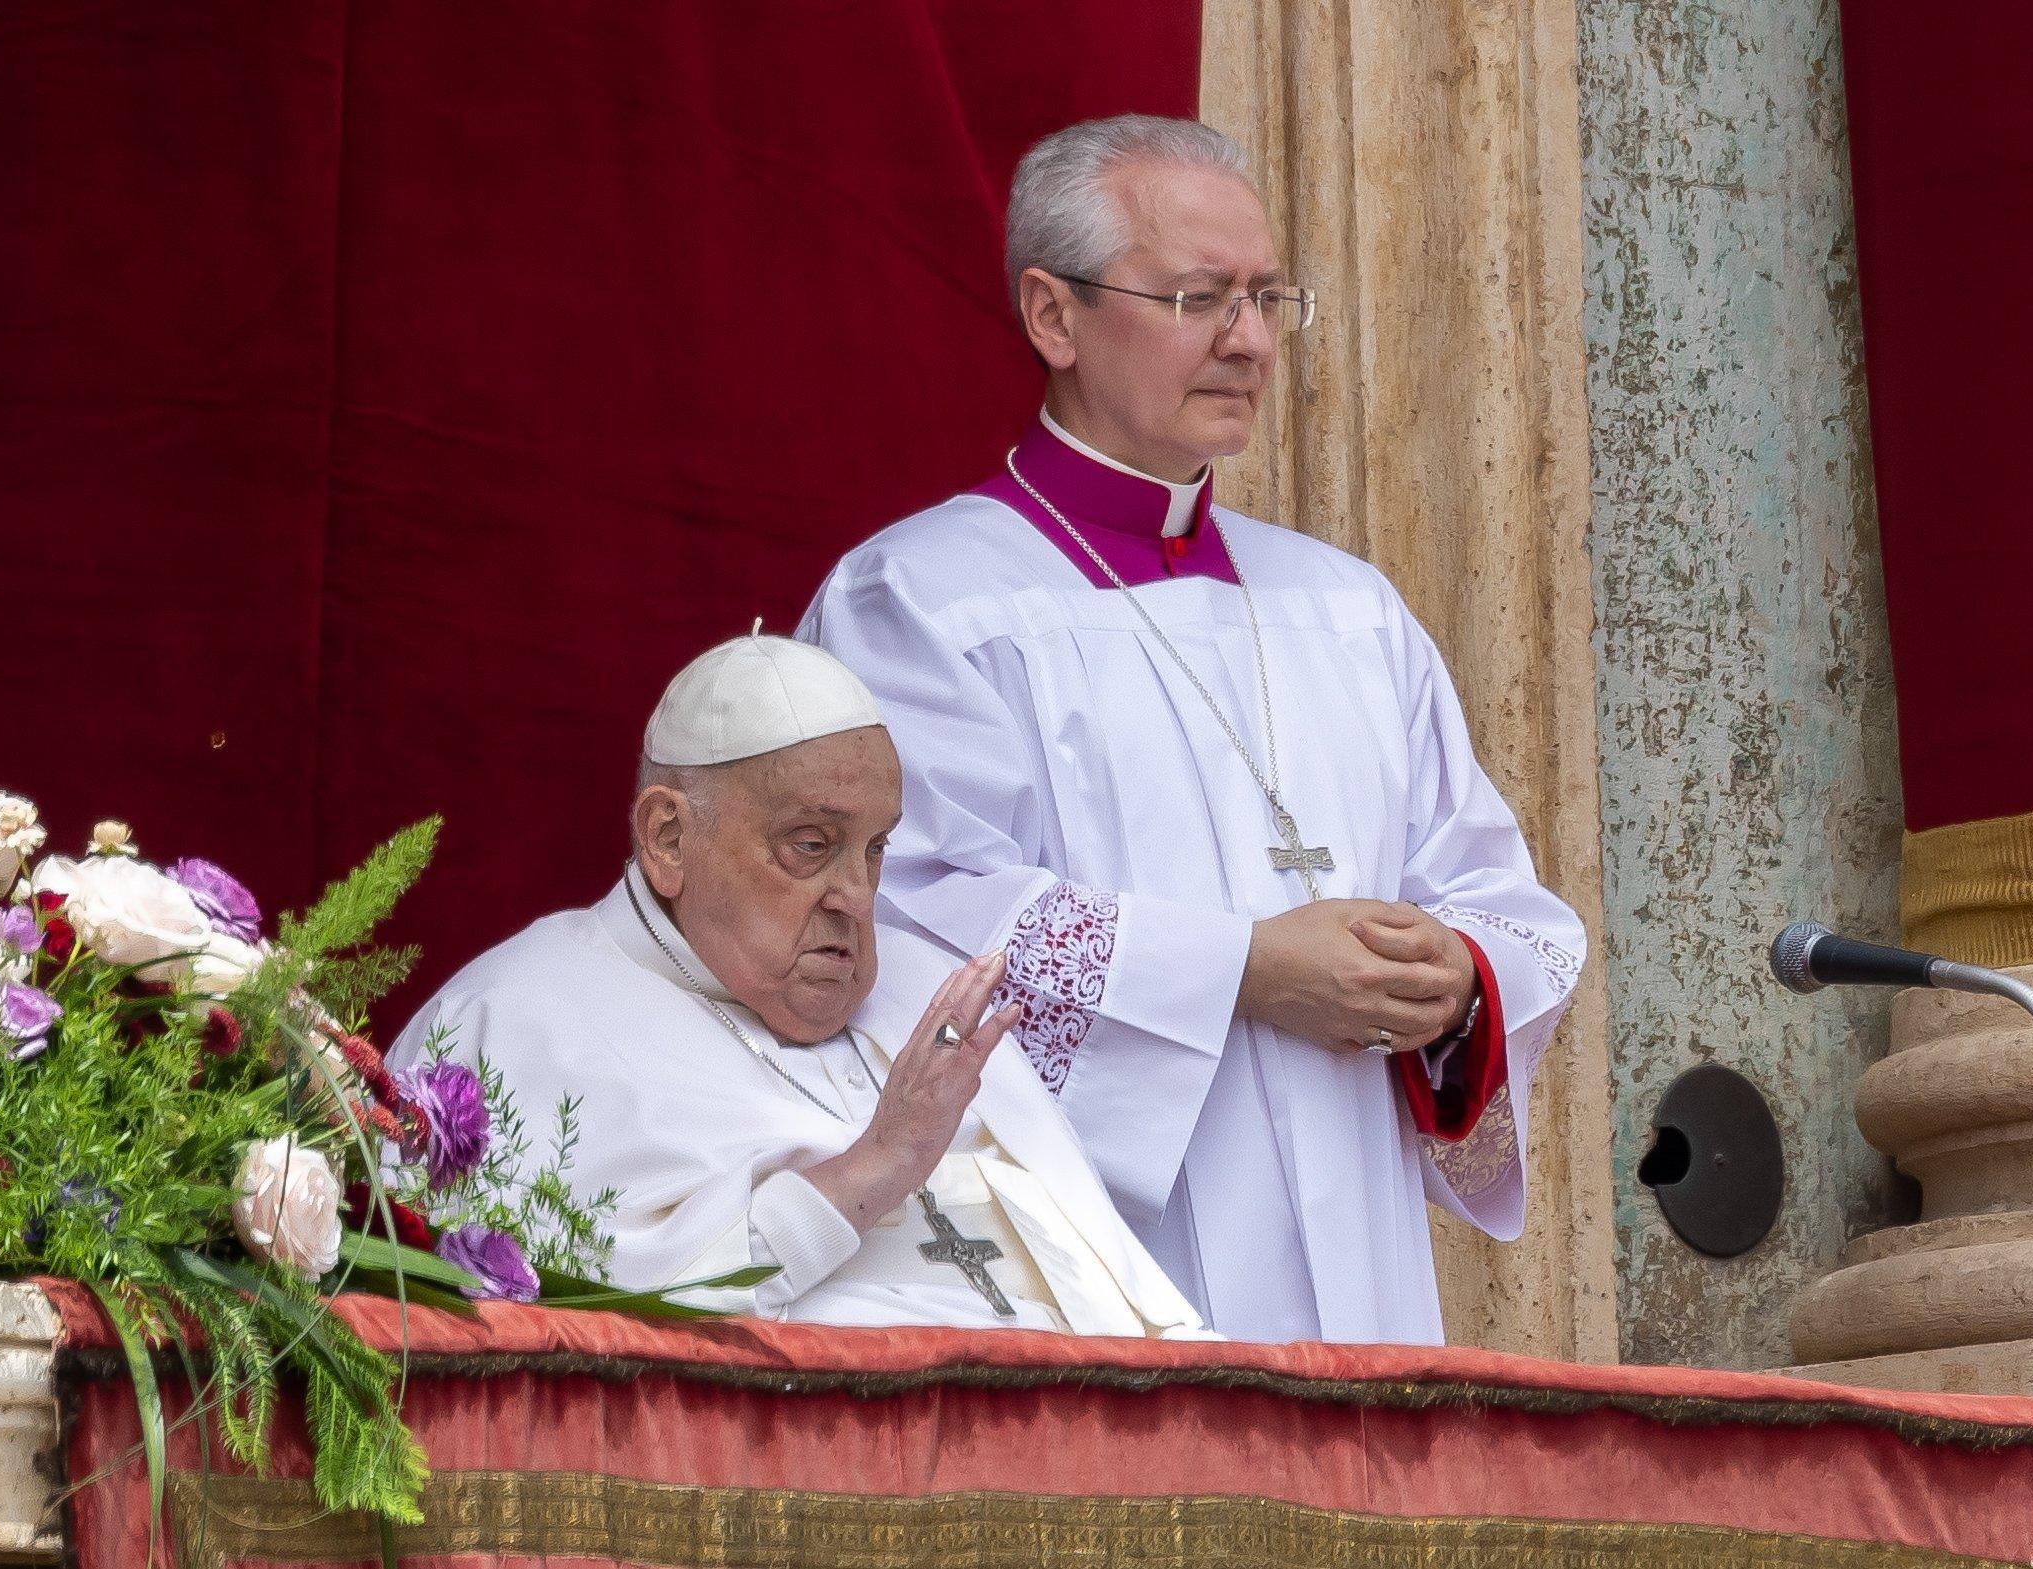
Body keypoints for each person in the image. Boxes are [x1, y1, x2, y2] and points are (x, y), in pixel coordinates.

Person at [800, 115, 1584, 1344]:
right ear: (1053, 316)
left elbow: (1502, 896)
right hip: (1094, 1273)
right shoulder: (922, 604)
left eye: (1269, 296)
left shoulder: (1349, 612)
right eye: (1199, 297)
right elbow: (907, 923)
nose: (1254, 340)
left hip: (1370, 1281)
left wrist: (1456, 977)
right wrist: (1247, 971)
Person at [392, 628, 1207, 1336]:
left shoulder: (928, 989)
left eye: (876, 848)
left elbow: (1119, 1294)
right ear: (669, 838)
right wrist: (873, 1167)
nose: (858, 896)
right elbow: (582, 1340)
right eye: (811, 846)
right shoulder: (512, 1020)